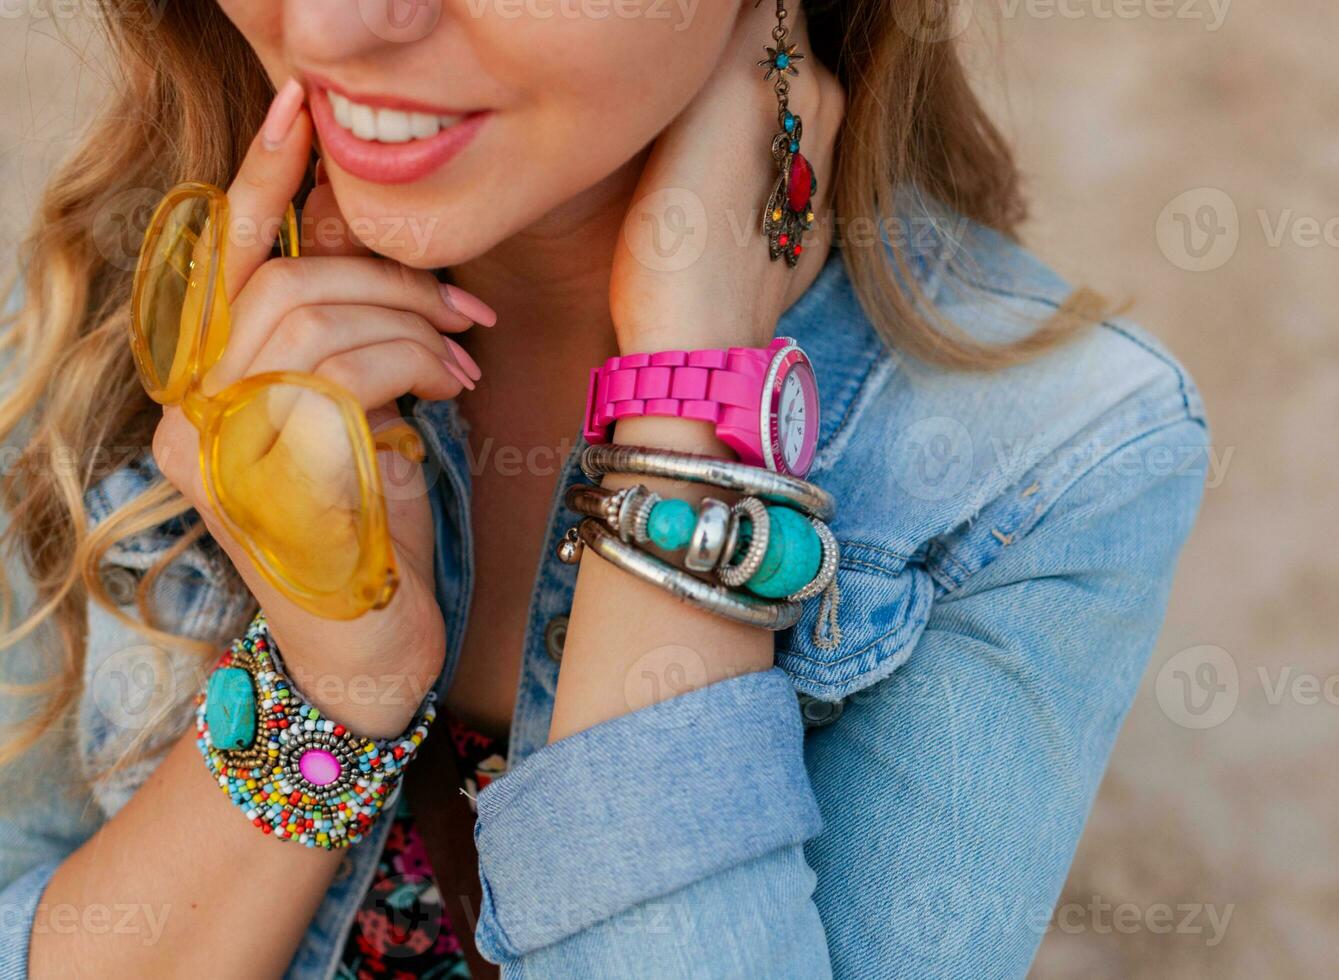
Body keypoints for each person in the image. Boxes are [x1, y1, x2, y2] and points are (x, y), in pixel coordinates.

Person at [0, 1, 1208, 976]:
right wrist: (331, 682)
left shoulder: (1049, 459)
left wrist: (691, 412)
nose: (326, 27)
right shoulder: (114, 305)